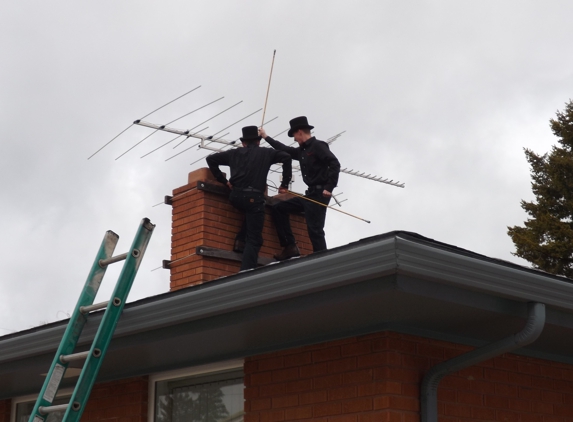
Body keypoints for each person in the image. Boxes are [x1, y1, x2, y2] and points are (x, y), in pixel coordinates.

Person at [206, 125, 292, 271]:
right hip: (254, 197)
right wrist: (284, 184)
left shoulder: (234, 153)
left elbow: (211, 159)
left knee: (249, 212)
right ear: (258, 141)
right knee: (255, 239)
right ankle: (246, 271)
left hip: (236, 197)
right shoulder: (266, 153)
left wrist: (223, 181)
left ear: (243, 143)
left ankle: (240, 240)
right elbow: (287, 157)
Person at [259, 116, 341, 260]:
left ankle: (322, 260)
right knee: (279, 208)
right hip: (310, 195)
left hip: (320, 193)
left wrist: (329, 187)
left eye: (294, 136)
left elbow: (334, 163)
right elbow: (284, 149)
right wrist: (266, 137)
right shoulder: (302, 151)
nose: (295, 139)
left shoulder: (318, 146)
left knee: (315, 229)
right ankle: (290, 246)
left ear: (299, 132)